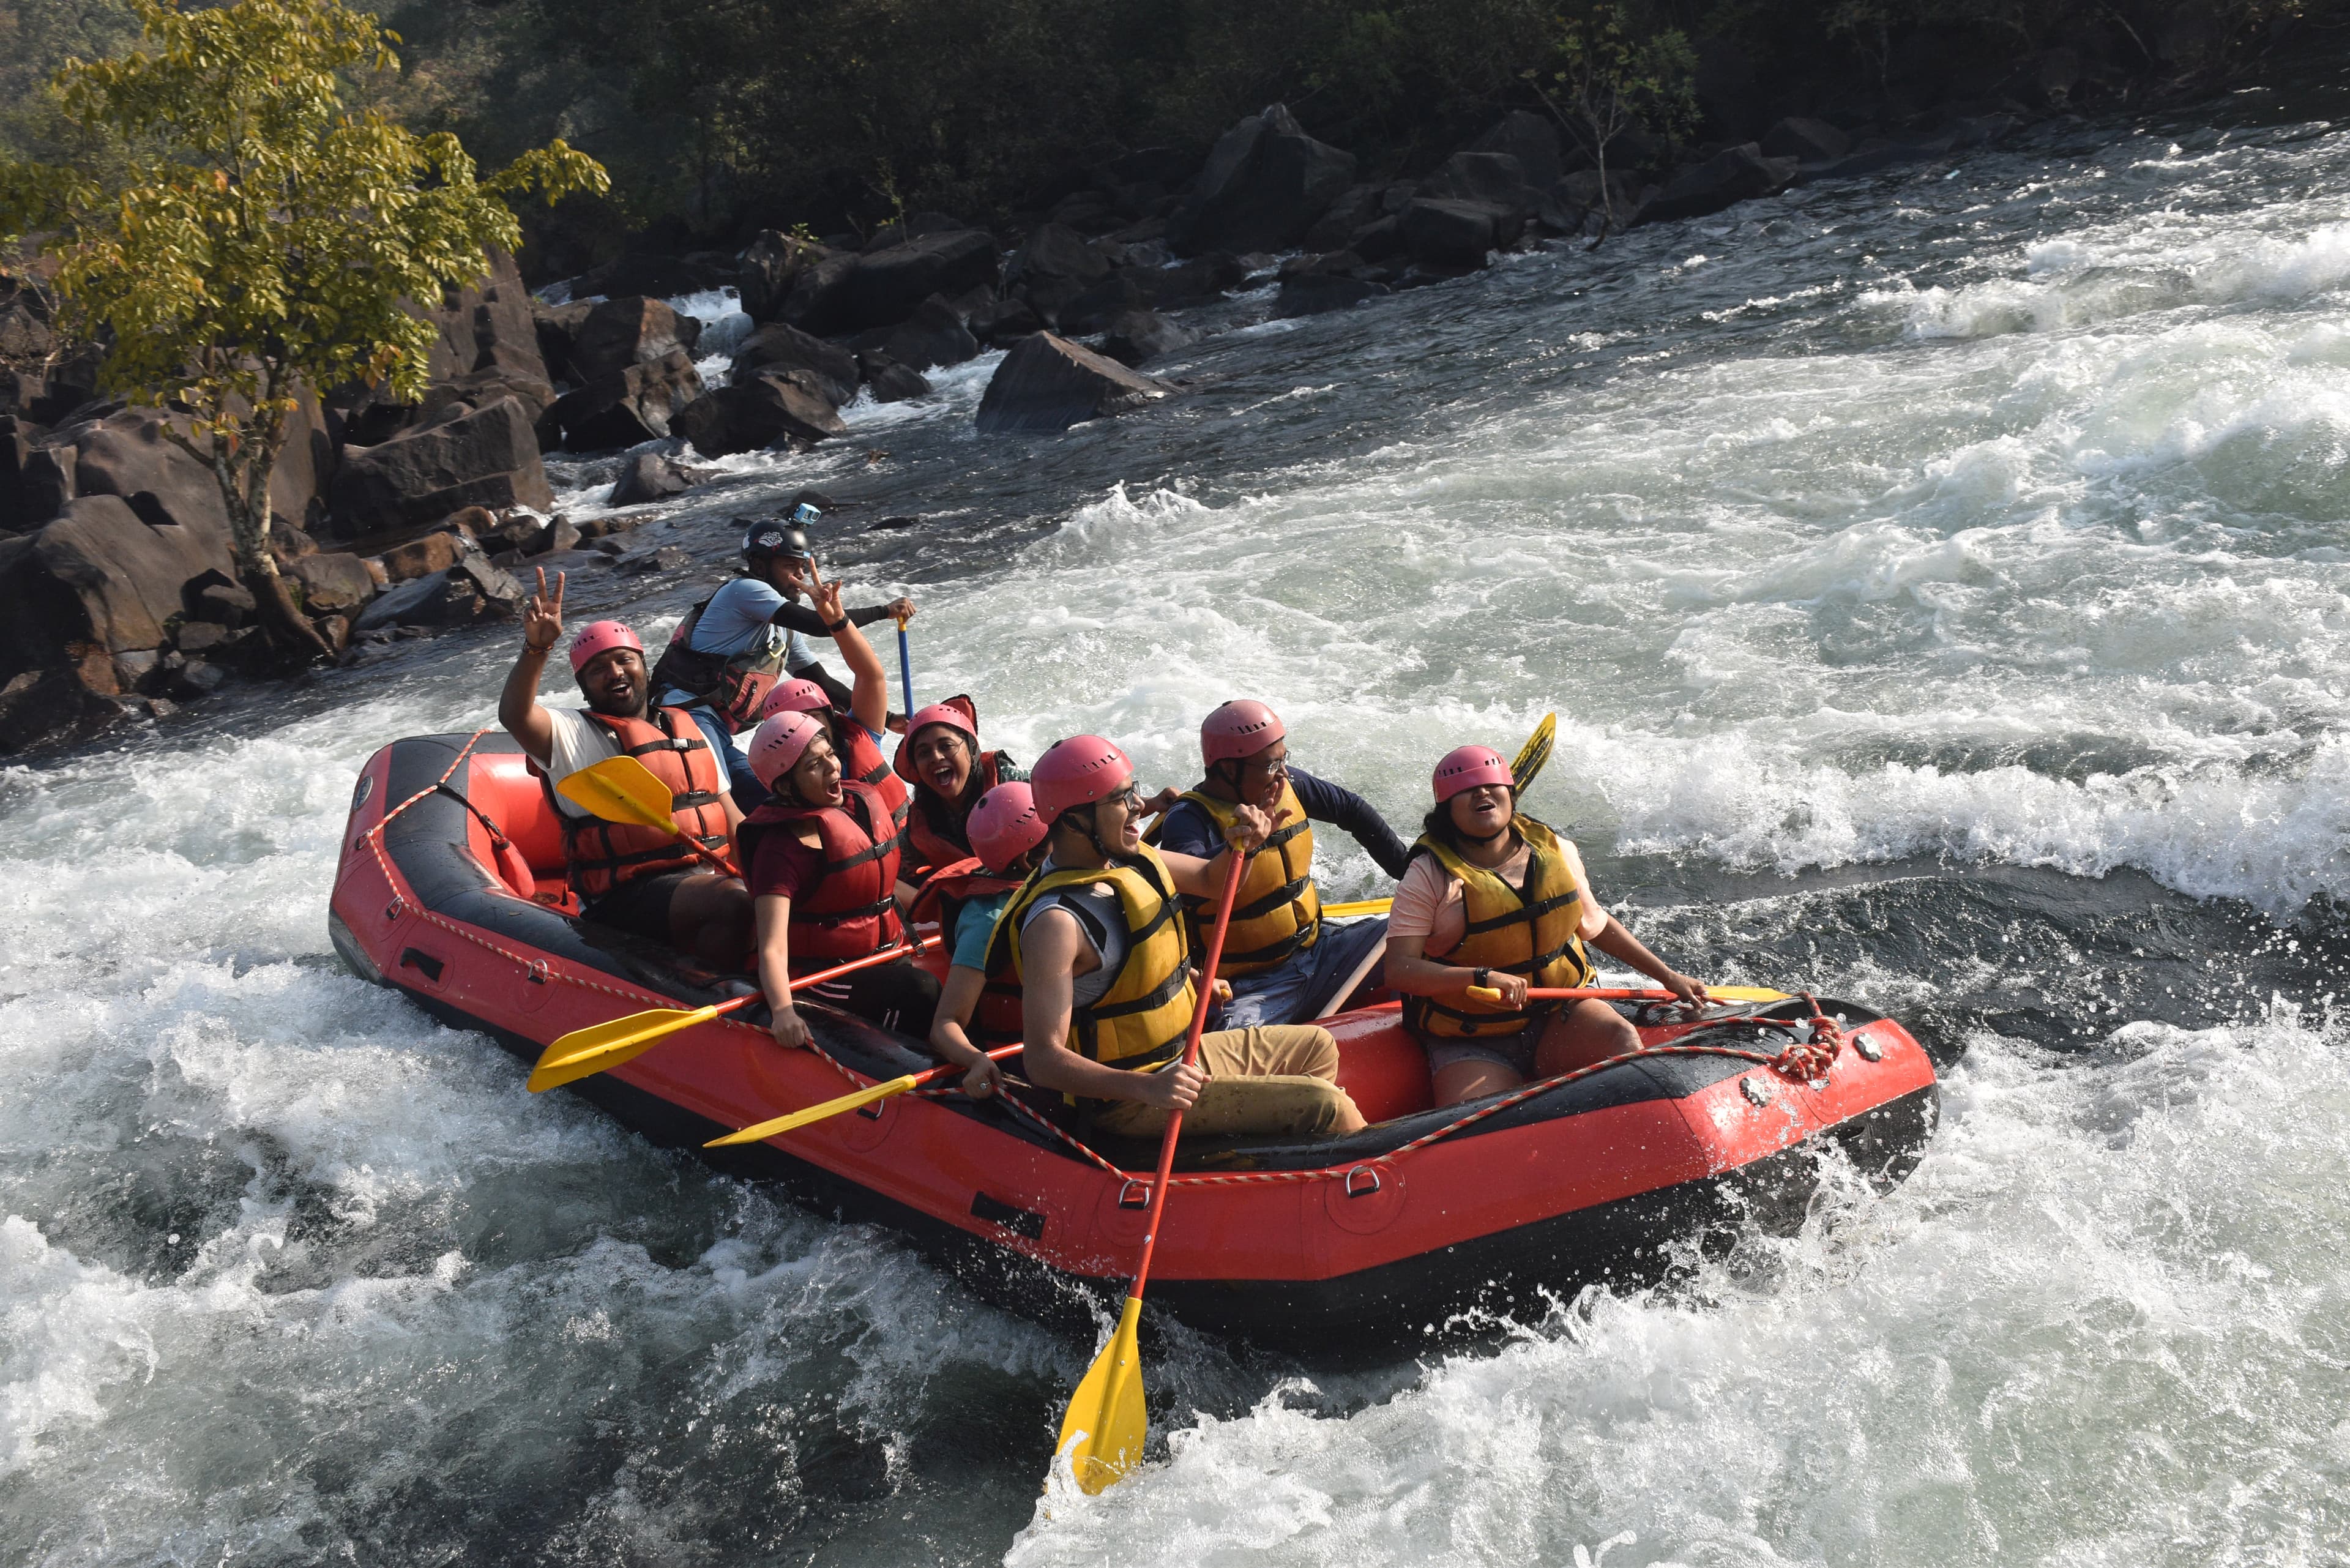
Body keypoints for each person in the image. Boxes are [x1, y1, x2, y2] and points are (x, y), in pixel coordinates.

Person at [994, 735, 1368, 1141]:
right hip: (1129, 1099)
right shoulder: (1056, 924)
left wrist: (1249, 846)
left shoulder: (1133, 860)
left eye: (1133, 791)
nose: (1139, 805)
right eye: (1120, 799)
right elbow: (1044, 1060)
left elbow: (1214, 881)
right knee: (1324, 1104)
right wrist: (1146, 1089)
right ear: (1073, 820)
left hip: (1179, 1058)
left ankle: (1278, 1166)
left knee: (1317, 1046)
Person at [1384, 744, 1707, 1108]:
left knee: (1621, 1039)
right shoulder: (1429, 875)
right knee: (1479, 1122)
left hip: (1559, 1013)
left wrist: (1669, 977)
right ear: (1448, 811)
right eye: (1467, 791)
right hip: (1471, 1034)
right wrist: (1480, 977)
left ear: (1510, 795)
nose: (1482, 793)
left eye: (1491, 785)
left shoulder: (1555, 850)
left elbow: (1595, 926)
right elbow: (1399, 969)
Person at [497, 568, 752, 966]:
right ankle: (716, 993)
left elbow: (733, 820)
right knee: (736, 902)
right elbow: (515, 715)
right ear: (584, 687)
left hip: (703, 880)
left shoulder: (685, 729)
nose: (614, 672)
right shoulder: (570, 734)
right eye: (598, 670)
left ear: (643, 666)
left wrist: (781, 875)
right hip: (622, 899)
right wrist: (536, 649)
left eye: (623, 660)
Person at [737, 581, 941, 1043]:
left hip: (883, 943)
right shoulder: (781, 845)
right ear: (786, 782)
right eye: (814, 761)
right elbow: (772, 944)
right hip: (825, 973)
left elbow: (879, 888)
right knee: (922, 989)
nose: (831, 762)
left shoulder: (851, 799)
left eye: (828, 749)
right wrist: (783, 1012)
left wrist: (945, 901)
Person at [1152, 700, 1411, 1028]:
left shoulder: (1286, 785)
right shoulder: (1189, 820)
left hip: (1322, 952)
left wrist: (1409, 871)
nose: (1284, 773)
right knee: (1230, 1054)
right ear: (1231, 769)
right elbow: (1193, 890)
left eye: (1284, 759)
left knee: (1430, 929)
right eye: (1272, 764)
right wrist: (1243, 846)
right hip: (1252, 987)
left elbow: (1351, 810)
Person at [647, 508, 916, 807]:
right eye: (791, 566)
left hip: (720, 730)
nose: (800, 577)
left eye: (802, 567)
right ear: (761, 567)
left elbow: (820, 681)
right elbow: (821, 625)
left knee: (775, 801)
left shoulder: (783, 631)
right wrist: (885, 611)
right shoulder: (744, 590)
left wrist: (889, 718)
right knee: (719, 801)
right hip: (687, 715)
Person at [921, 781, 1050, 1100]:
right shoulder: (988, 922)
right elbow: (946, 1024)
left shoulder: (1065, 882)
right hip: (1022, 1059)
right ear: (1027, 858)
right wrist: (975, 1060)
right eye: (1055, 837)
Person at [894, 696, 1027, 883]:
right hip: (972, 905)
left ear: (972, 749)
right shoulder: (920, 822)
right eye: (924, 753)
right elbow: (889, 869)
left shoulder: (1015, 785)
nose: (936, 757)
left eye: (946, 746)